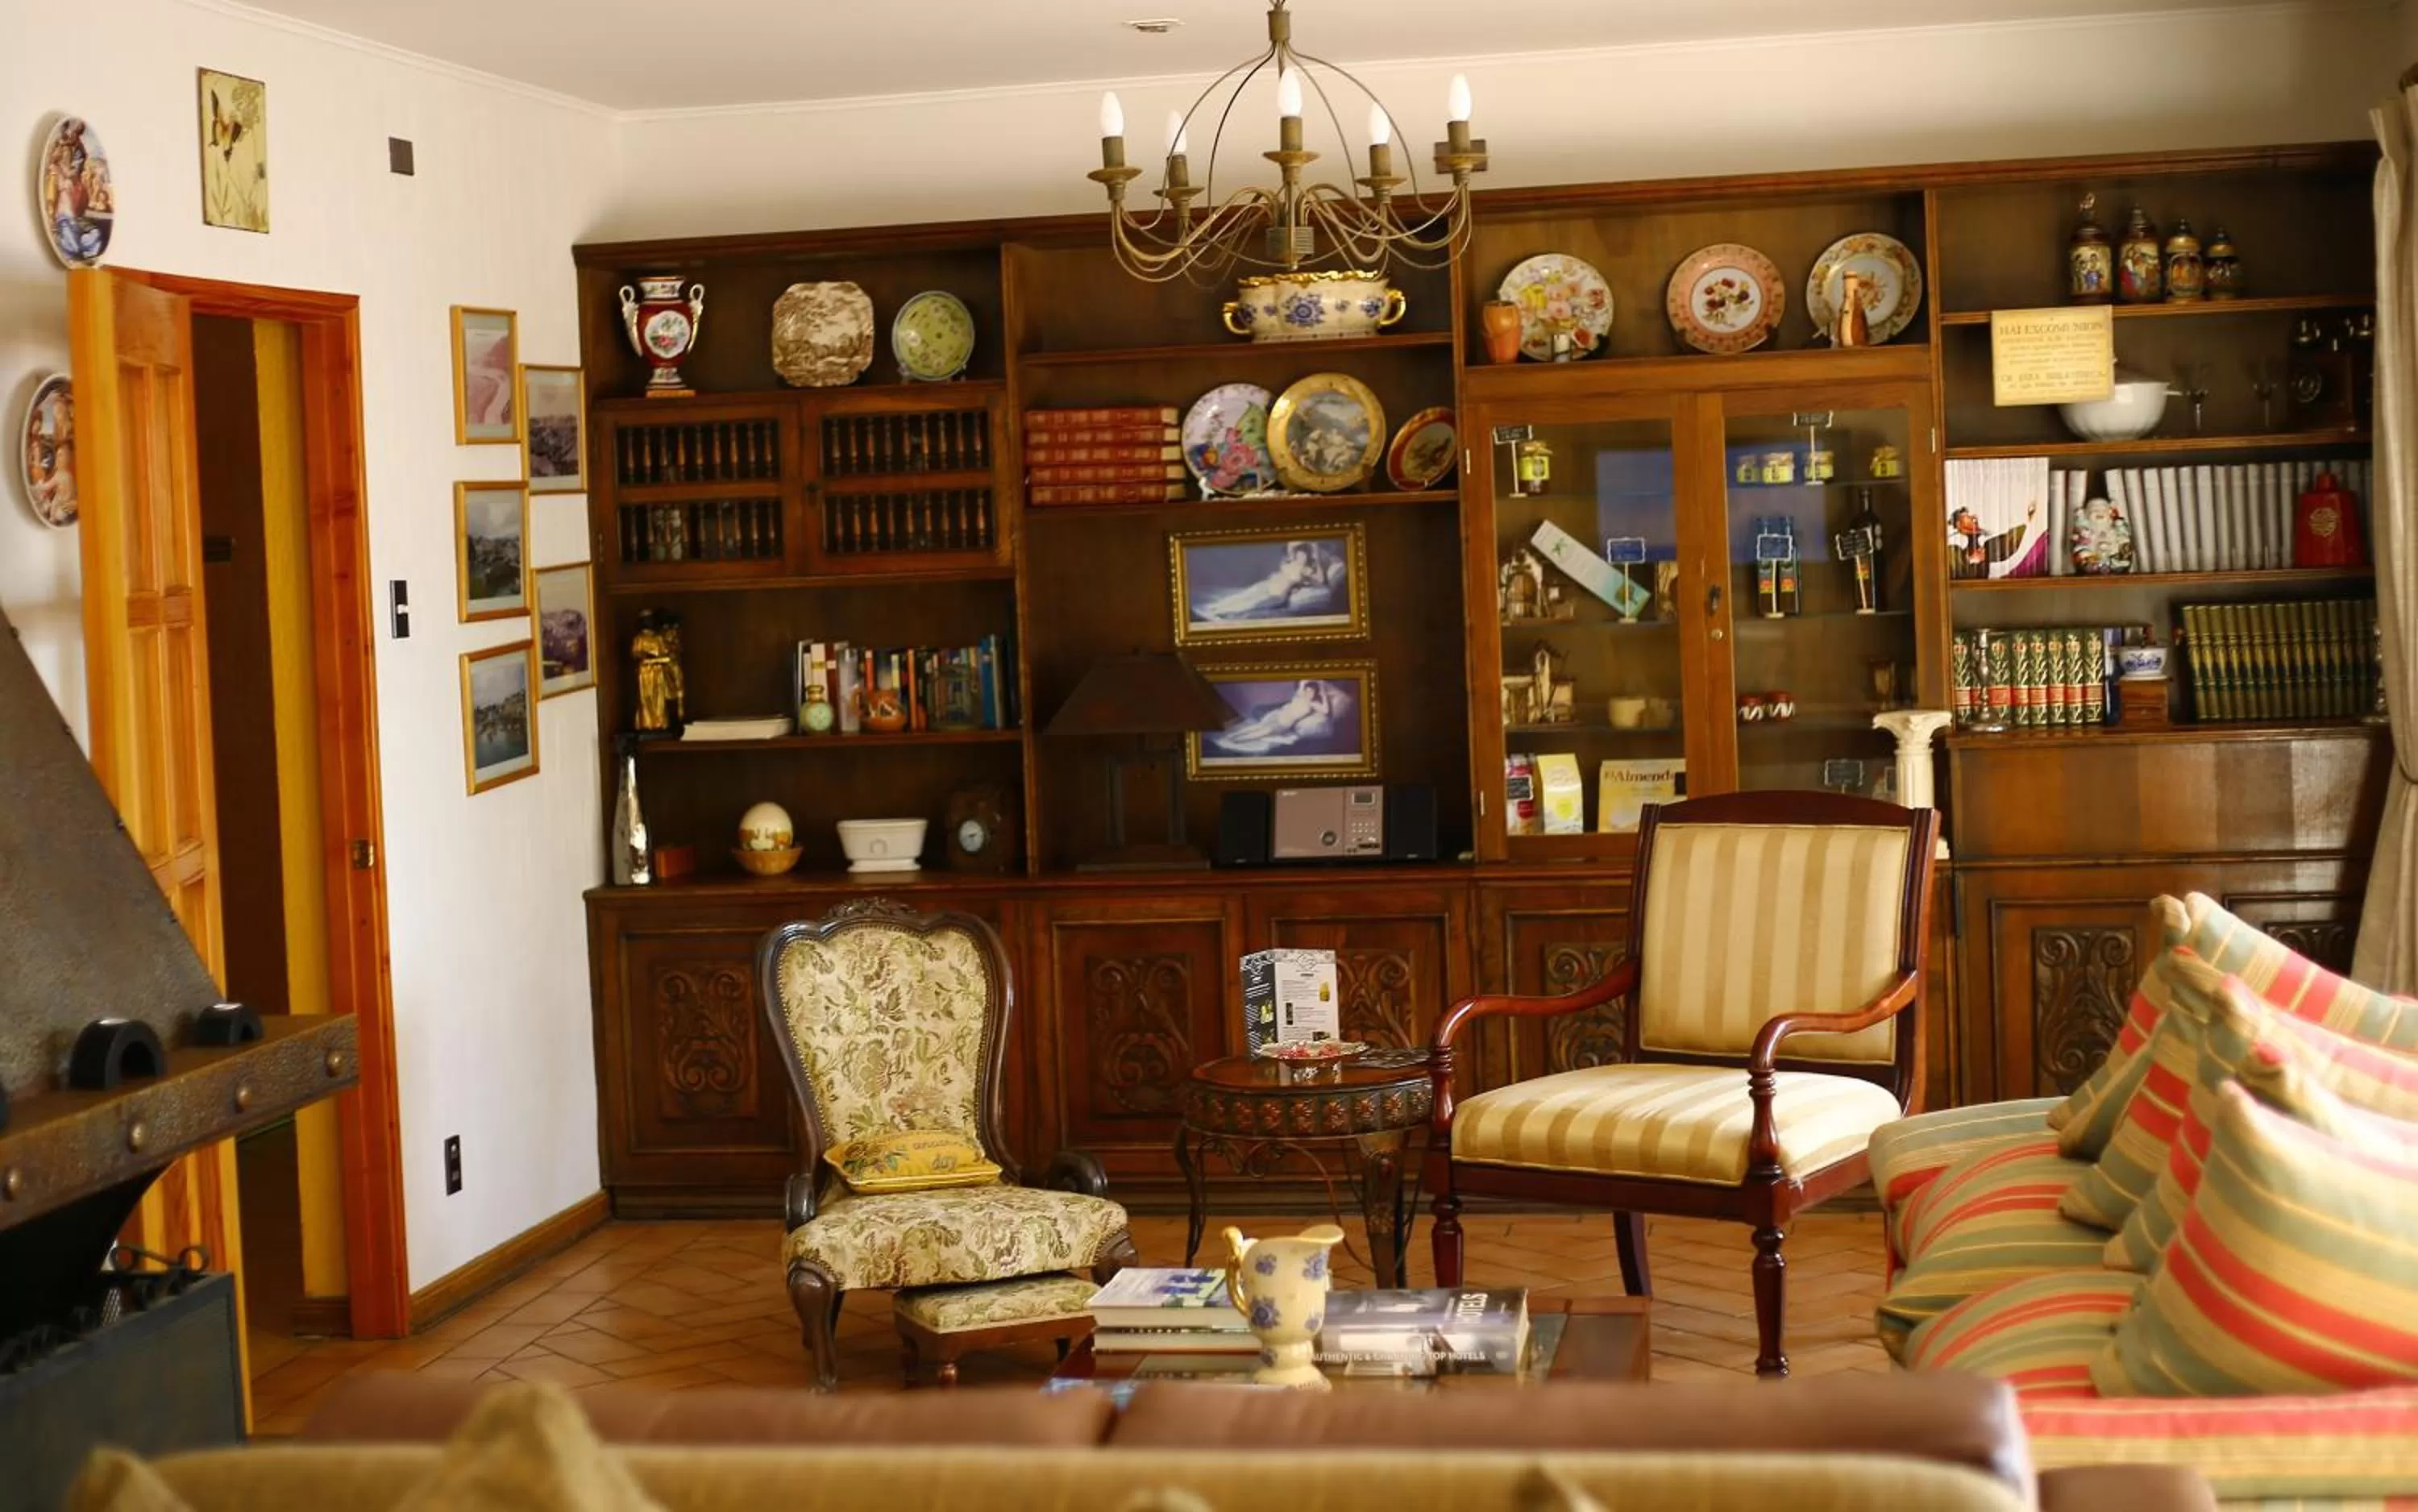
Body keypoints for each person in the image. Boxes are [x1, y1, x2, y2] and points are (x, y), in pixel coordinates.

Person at [1210, 679, 1348, 756]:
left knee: (1259, 733)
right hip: (1277, 715)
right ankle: (1229, 739)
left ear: (1315, 693)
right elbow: (1303, 682)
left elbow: (1326, 710)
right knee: (1257, 728)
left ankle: (1232, 741)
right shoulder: (1299, 695)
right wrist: (1314, 683)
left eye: (1312, 691)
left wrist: (1322, 691)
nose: (1308, 693)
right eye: (1307, 690)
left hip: (1283, 724)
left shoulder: (1313, 704)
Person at [1947, 498, 2039, 579]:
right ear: (1959, 524)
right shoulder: (1953, 551)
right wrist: (1971, 560)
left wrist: (2027, 521)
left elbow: (2008, 543)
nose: (1974, 517)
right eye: (1967, 516)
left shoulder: (1987, 547)